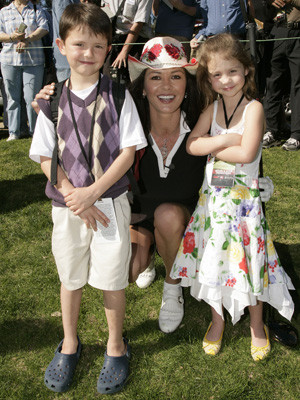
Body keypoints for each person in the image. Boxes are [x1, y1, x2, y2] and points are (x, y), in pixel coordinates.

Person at [33, 36, 275, 335]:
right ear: (143, 86)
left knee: (168, 216)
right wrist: (50, 100)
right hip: (137, 214)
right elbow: (81, 133)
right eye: (155, 77)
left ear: (187, 84)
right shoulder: (123, 122)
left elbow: (243, 149)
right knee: (130, 271)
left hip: (187, 217)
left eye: (175, 76)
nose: (166, 86)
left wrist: (261, 181)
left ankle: (172, 288)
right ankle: (151, 255)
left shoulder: (205, 122)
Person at [29, 3, 147, 394]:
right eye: (79, 44)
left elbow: (129, 150)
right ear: (61, 45)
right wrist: (72, 196)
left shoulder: (118, 95)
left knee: (113, 276)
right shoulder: (50, 100)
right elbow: (46, 155)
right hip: (67, 209)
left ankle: (116, 347)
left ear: (108, 48)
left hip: (110, 204)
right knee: (71, 275)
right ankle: (70, 343)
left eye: (98, 46)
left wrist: (93, 193)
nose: (88, 54)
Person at [170, 33, 294, 360]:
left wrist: (217, 146)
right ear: (207, 79)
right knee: (213, 259)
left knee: (249, 263)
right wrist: (227, 141)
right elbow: (191, 145)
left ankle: (257, 325)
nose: (226, 80)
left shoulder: (253, 108)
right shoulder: (211, 109)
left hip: (245, 208)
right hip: (213, 205)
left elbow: (248, 152)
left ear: (247, 71)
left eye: (233, 72)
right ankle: (216, 319)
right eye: (217, 74)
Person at [0, 0, 49, 141]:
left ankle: (34, 131)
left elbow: (44, 28)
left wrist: (28, 39)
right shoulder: (4, 11)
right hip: (9, 60)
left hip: (34, 60)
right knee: (12, 98)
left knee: (31, 98)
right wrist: (11, 37)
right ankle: (14, 132)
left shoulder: (36, 9)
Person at [262, 0, 300, 151]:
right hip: (276, 31)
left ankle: (296, 135)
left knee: (297, 85)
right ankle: (273, 131)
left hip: (297, 32)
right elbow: (263, 13)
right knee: (272, 82)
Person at [102, 0, 153, 83]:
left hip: (135, 41)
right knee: (107, 77)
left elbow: (138, 24)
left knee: (134, 80)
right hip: (113, 38)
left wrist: (124, 52)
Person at [52, 0, 80, 82]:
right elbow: (67, 27)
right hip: (67, 58)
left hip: (70, 56)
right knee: (70, 91)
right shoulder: (63, 1)